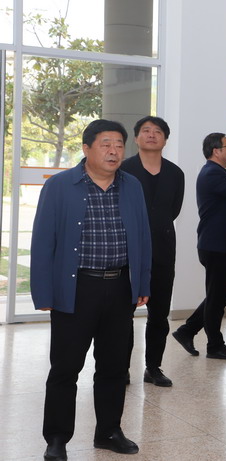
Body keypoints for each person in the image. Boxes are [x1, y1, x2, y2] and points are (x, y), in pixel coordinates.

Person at [31, 119, 152, 461]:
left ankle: (109, 431)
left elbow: (143, 237)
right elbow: (43, 241)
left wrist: (142, 283)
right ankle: (57, 438)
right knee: (65, 368)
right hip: (76, 287)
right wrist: (44, 292)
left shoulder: (132, 186)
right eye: (105, 144)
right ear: (86, 149)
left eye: (119, 145)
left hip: (119, 287)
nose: (114, 151)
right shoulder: (59, 186)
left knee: (114, 366)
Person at [120, 116, 184, 387]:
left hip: (163, 249)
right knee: (123, 314)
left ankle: (153, 367)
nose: (151, 135)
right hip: (127, 250)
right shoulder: (124, 170)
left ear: (165, 139)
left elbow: (174, 210)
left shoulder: (175, 173)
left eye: (158, 131)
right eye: (145, 131)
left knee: (159, 314)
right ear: (136, 138)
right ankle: (121, 367)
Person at [172, 133, 226, 360]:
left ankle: (187, 331)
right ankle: (214, 345)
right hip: (216, 245)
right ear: (216, 151)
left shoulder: (216, 173)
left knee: (219, 294)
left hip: (219, 244)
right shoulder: (212, 174)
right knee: (217, 297)